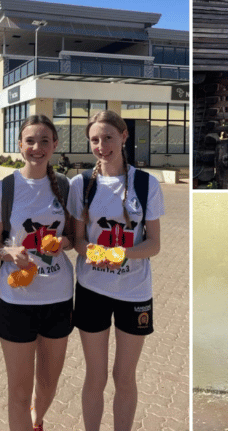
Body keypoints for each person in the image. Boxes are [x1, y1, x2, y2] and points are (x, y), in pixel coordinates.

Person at [66, 110, 164, 431]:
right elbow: (78, 241)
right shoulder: (80, 184)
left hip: (134, 292)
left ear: (124, 136)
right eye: (95, 139)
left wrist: (121, 254)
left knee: (124, 377)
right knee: (95, 376)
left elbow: (154, 246)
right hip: (92, 291)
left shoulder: (146, 183)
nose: (101, 145)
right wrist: (96, 253)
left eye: (108, 137)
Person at [0, 114, 74, 431]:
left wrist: (63, 241)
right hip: (16, 300)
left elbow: (77, 238)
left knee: (49, 383)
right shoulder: (4, 189)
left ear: (54, 145)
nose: (37, 147)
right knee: (19, 392)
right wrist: (9, 252)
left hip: (58, 298)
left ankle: (38, 420)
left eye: (44, 141)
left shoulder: (66, 186)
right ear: (20, 145)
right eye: (30, 141)